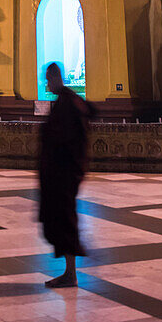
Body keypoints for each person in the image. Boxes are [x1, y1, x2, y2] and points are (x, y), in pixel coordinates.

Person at [38, 61, 90, 287]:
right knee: (61, 221)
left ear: (56, 78)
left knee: (66, 222)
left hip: (64, 175)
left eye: (48, 79)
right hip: (59, 175)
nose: (46, 83)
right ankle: (69, 273)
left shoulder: (68, 103)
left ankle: (71, 274)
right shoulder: (65, 101)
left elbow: (70, 139)